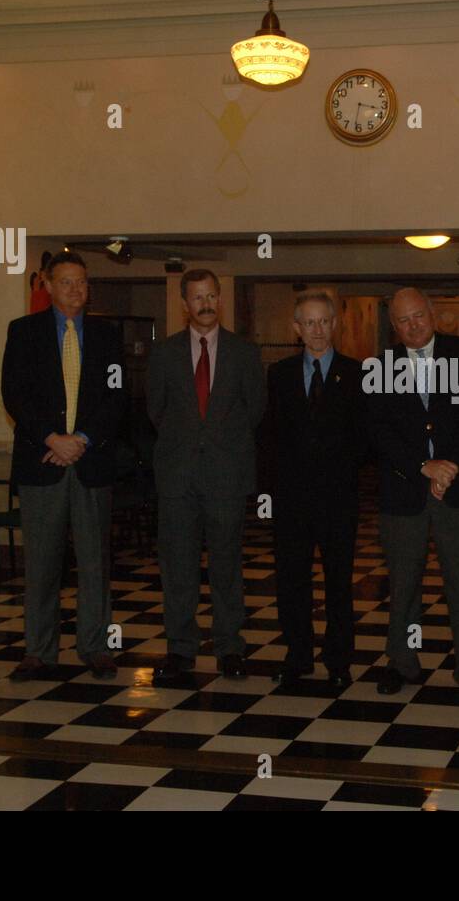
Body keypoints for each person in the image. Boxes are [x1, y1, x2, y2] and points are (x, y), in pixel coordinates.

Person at [1, 251, 125, 681]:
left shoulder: (108, 336)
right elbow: (14, 394)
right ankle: (38, 650)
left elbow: (116, 397)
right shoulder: (23, 332)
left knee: (95, 562)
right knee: (41, 563)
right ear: (48, 286)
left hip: (91, 464)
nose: (76, 289)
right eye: (67, 282)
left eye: (82, 283)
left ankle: (95, 647)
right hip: (43, 462)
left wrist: (82, 440)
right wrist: (53, 439)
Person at [368, 287, 459, 701]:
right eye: (403, 321)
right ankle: (401, 662)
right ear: (393, 326)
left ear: (432, 313)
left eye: (418, 316)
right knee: (402, 584)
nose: (413, 326)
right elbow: (379, 432)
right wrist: (423, 466)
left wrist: (450, 466)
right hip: (404, 496)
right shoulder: (380, 366)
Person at [149, 268, 266, 683]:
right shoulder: (163, 353)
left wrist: (219, 443)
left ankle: (230, 647)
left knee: (227, 566)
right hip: (177, 478)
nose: (205, 304)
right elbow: (156, 411)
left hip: (226, 478)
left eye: (211, 296)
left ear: (221, 299)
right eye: (197, 297)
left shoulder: (245, 353)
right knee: (177, 567)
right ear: (184, 304)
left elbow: (255, 411)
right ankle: (180, 649)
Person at [266, 292, 366, 688]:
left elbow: (363, 439)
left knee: (339, 582)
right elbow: (270, 436)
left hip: (339, 498)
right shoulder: (280, 373)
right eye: (309, 323)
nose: (317, 330)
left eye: (324, 322)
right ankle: (298, 654)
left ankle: (338, 659)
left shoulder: (356, 373)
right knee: (292, 580)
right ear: (296, 329)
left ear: (334, 325)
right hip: (292, 499)